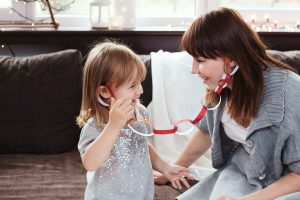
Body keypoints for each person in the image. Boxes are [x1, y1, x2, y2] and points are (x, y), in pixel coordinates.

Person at [155, 7, 300, 200]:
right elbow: (206, 131)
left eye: (200, 60)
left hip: (288, 185)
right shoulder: (220, 86)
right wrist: (174, 169)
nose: (193, 70)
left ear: (231, 59)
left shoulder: (289, 94)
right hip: (243, 173)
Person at [76, 41, 193, 200]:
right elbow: (90, 164)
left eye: (140, 83)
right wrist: (113, 126)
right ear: (104, 91)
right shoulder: (95, 125)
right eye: (132, 86)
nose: (140, 90)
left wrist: (165, 167)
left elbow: (142, 144)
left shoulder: (140, 112)